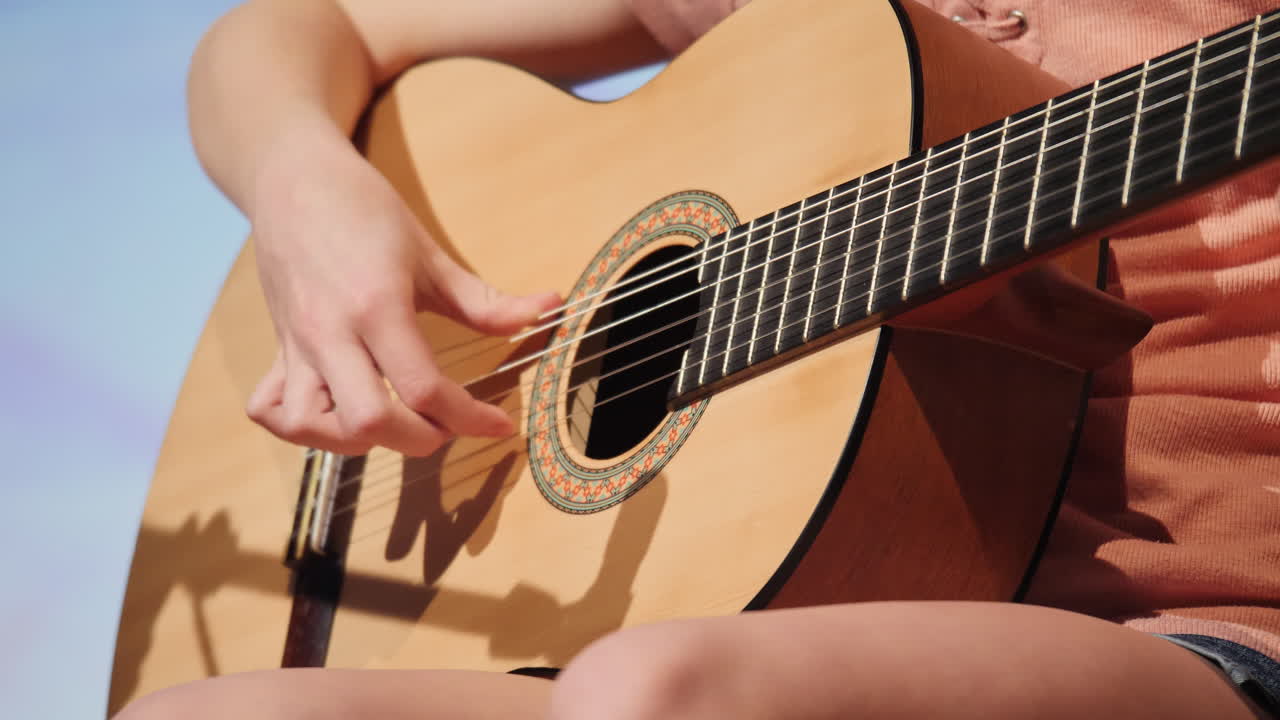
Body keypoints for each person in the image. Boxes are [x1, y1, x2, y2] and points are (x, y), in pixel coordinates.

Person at [116, 0, 1280, 717]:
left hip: (1190, 633)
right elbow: (301, 26)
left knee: (654, 694)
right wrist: (301, 186)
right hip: (768, 625)